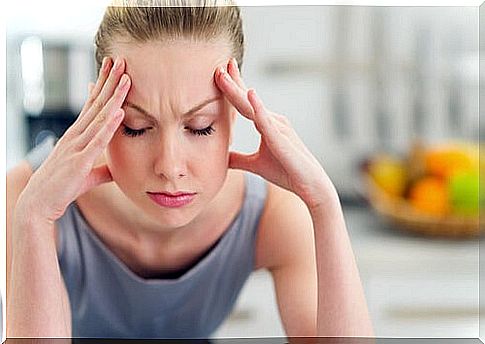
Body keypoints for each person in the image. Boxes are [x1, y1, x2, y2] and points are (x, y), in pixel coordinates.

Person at [6, 0, 374, 339]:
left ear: (234, 114)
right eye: (136, 126)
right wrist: (34, 219)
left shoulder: (270, 212)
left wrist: (325, 206)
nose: (169, 167)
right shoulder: (32, 197)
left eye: (200, 126)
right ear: (97, 108)